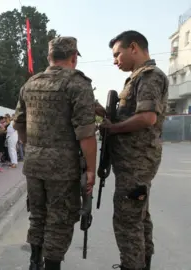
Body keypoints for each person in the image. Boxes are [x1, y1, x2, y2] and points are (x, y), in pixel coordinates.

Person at [13, 37, 97, 270]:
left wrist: (33, 147)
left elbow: (18, 122)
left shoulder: (30, 84)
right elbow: (86, 133)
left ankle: (34, 262)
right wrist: (91, 170)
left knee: (38, 215)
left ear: (50, 57)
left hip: (34, 164)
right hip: (63, 168)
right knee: (59, 220)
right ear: (73, 57)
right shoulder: (77, 84)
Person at [99, 30, 168, 270]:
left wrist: (114, 128)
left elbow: (147, 118)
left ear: (134, 48)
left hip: (136, 163)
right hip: (133, 162)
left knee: (127, 221)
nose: (115, 60)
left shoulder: (149, 76)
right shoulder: (137, 77)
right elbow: (132, 114)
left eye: (118, 54)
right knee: (139, 218)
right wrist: (106, 113)